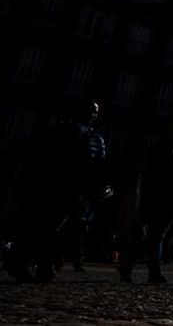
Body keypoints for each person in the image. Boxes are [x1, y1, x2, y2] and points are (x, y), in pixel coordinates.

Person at [4, 97, 110, 282]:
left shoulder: (84, 134)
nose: (93, 115)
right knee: (51, 227)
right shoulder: (76, 133)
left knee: (52, 227)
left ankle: (33, 263)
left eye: (95, 112)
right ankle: (38, 264)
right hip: (61, 186)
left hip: (72, 188)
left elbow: (98, 166)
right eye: (90, 111)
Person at [118, 121, 173, 284]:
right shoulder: (158, 150)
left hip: (172, 201)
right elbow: (150, 175)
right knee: (147, 237)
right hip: (154, 198)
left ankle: (142, 270)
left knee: (156, 236)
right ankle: (138, 269)